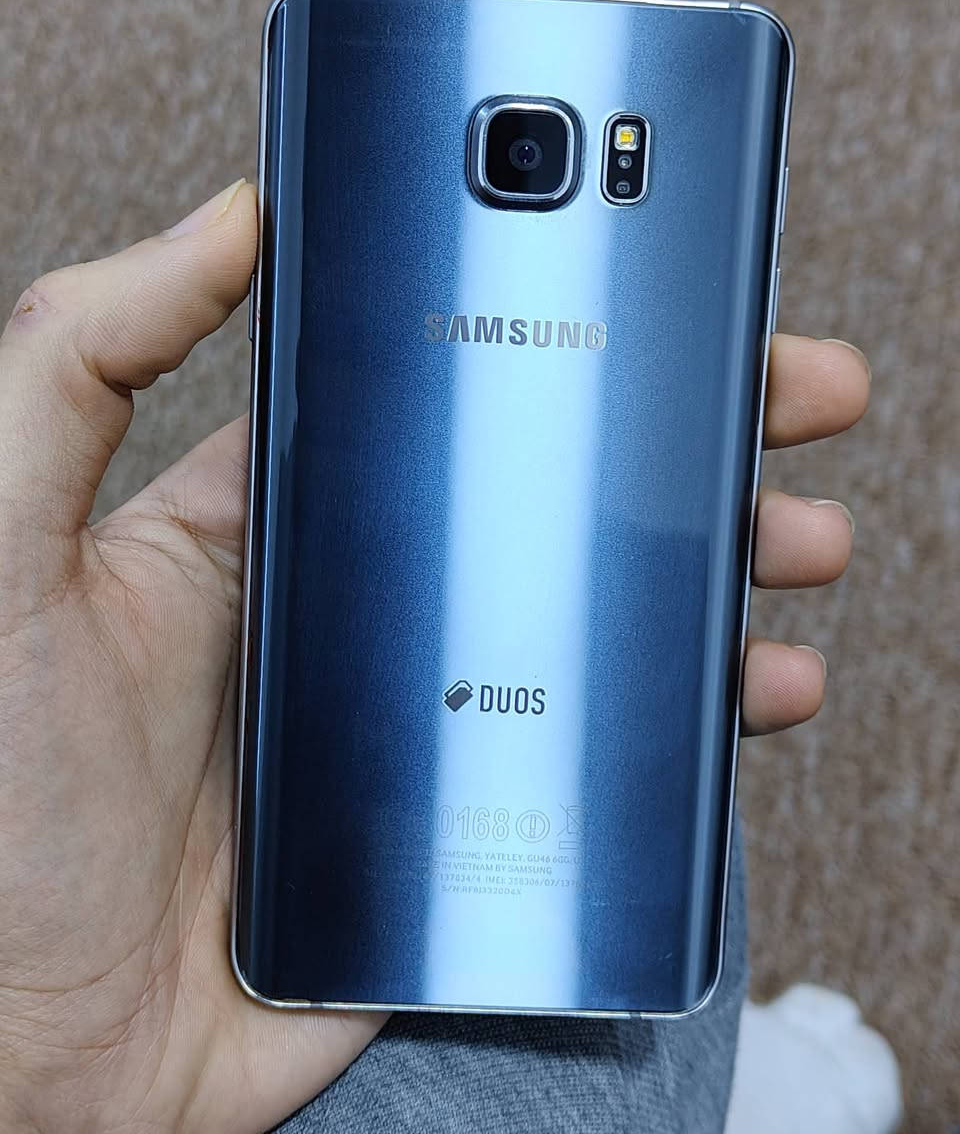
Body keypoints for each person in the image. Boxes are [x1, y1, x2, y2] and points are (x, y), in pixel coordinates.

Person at [0, 180, 870, 1134]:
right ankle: (768, 1087)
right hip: (214, 1013)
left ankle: (756, 1085)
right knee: (664, 668)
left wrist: (33, 1063)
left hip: (162, 1029)